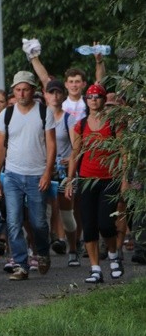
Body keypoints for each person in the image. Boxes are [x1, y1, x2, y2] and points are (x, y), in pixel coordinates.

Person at [0, 70, 56, 281]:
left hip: (37, 173)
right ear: (13, 91)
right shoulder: (6, 115)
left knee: (38, 222)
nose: (21, 93)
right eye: (18, 89)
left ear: (33, 90)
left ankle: (43, 252)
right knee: (13, 221)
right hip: (12, 174)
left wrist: (48, 172)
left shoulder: (43, 112)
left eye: (25, 89)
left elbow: (51, 143)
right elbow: (0, 147)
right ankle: (21, 264)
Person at [64, 83, 123, 283]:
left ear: (104, 99)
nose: (94, 100)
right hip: (87, 179)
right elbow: (75, 153)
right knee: (89, 226)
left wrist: (124, 180)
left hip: (109, 178)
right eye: (90, 97)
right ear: (85, 101)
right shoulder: (80, 125)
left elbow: (124, 152)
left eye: (98, 96)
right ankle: (95, 269)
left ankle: (114, 256)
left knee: (106, 224)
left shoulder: (113, 123)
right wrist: (70, 179)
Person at [44, 79, 80, 266]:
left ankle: (73, 249)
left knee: (67, 214)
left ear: (63, 95)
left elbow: (76, 147)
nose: (55, 96)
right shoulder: (41, 117)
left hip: (64, 171)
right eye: (51, 92)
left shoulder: (69, 118)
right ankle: (39, 252)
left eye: (58, 92)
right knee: (43, 212)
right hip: (44, 170)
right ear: (46, 95)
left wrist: (71, 172)